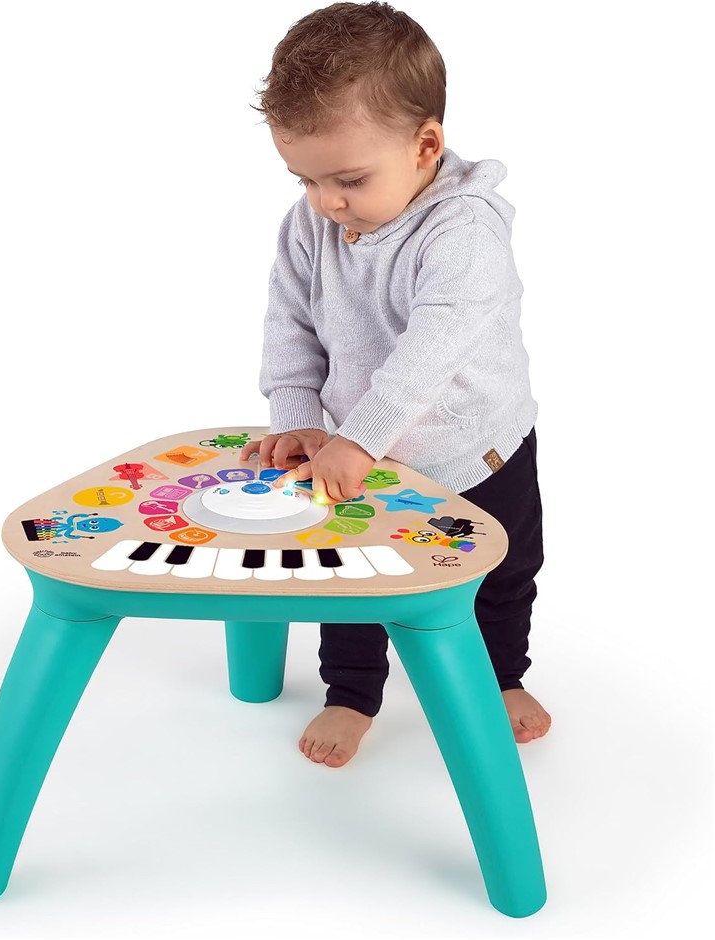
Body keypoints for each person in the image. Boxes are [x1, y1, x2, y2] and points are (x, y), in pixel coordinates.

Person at [240, 0, 551, 768]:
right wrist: (298, 417)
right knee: (348, 578)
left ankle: (502, 676)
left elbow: (428, 354)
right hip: (359, 450)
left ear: (425, 145)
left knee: (501, 575)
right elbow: (289, 321)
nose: (325, 201)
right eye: (304, 178)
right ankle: (350, 694)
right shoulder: (311, 222)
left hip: (476, 450)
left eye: (348, 179)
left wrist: (358, 438)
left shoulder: (463, 233)